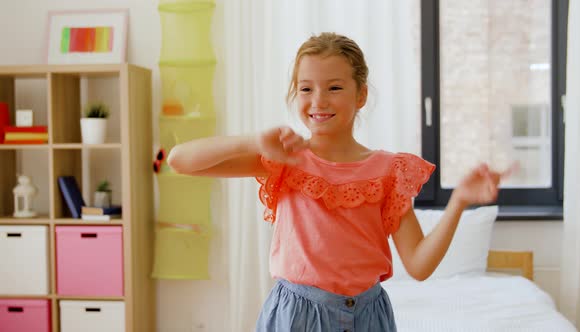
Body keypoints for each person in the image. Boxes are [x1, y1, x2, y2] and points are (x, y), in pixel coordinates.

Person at [167, 32, 511, 332]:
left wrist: (459, 201)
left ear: (360, 95)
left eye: (334, 87)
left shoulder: (389, 171)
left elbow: (419, 266)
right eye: (306, 88)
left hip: (368, 317)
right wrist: (253, 141)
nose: (318, 100)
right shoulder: (284, 159)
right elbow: (180, 160)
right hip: (296, 316)